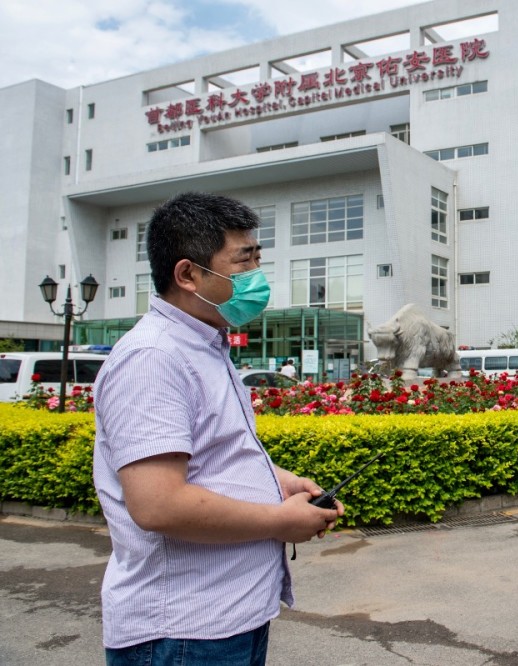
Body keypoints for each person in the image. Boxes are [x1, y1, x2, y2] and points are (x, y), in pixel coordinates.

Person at [93, 192, 343, 665]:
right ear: (188, 275)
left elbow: (215, 453)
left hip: (228, 617)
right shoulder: (154, 358)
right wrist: (278, 521)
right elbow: (158, 503)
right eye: (242, 262)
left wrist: (279, 481)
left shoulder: (204, 346)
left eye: (257, 259)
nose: (257, 277)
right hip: (182, 633)